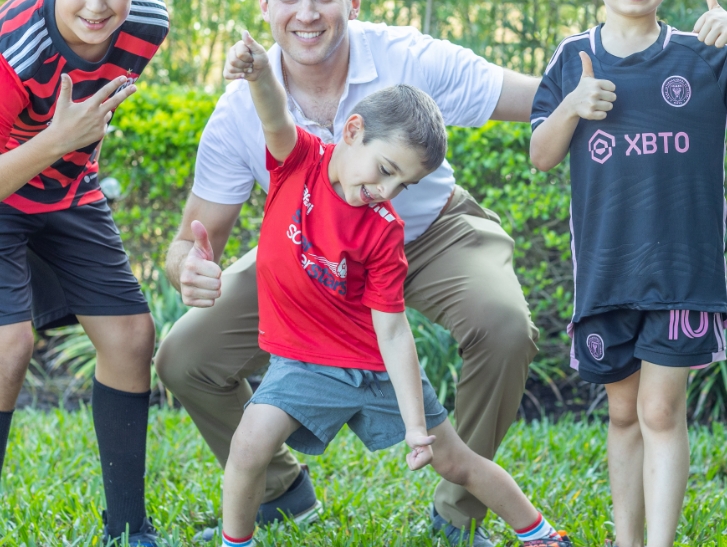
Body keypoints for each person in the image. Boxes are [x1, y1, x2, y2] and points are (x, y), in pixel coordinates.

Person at [157, 0, 542, 547]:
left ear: (353, 0)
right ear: (264, 2)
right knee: (185, 356)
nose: (306, 13)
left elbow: (536, 97)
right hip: (315, 259)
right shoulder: (240, 111)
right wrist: (188, 269)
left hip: (430, 234)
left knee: (503, 325)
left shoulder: (406, 57)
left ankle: (458, 512)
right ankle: (281, 493)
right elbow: (186, 243)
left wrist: (623, 73)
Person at [217, 30, 571, 547]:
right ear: (353, 130)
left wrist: (413, 427)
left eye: (401, 184)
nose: (384, 191)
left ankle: (540, 534)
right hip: (300, 361)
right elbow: (274, 115)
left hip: (369, 365)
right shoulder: (299, 161)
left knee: (455, 461)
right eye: (385, 170)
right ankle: (236, 542)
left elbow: (393, 331)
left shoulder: (383, 229)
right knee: (249, 444)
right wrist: (260, 72)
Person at [530, 0, 727, 547]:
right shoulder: (570, 58)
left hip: (681, 273)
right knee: (621, 415)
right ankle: (625, 538)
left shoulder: (703, 57)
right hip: (607, 274)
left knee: (659, 409)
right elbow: (539, 154)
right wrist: (571, 105)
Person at [0, 0, 169, 545]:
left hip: (69, 195)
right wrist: (56, 139)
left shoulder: (148, 23)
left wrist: (69, 155)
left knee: (131, 337)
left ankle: (129, 527)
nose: (96, 6)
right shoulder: (15, 51)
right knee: (9, 345)